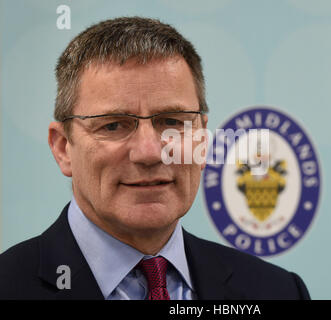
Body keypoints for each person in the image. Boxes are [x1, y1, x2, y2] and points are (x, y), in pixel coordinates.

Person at [0, 17, 310, 300]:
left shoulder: (277, 291)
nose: (150, 152)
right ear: (63, 147)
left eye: (173, 122)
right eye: (113, 125)